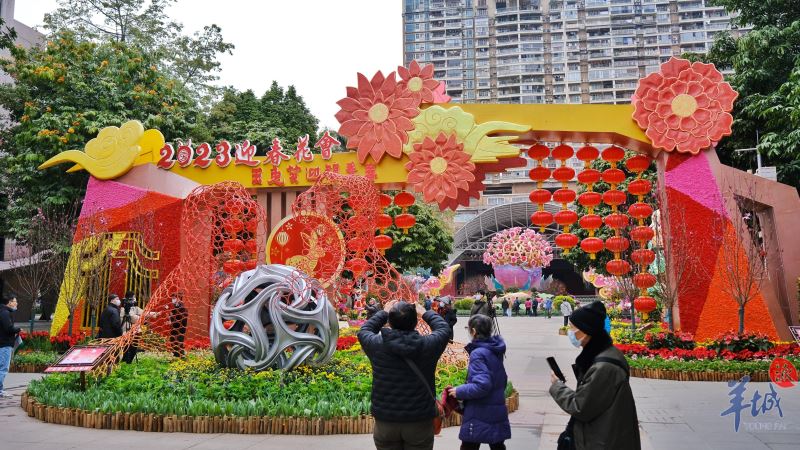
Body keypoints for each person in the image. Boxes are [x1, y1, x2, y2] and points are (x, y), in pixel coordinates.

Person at [358, 300, 451, 450]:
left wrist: (383, 312)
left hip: (386, 422)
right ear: (415, 321)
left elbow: (364, 330)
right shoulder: (428, 345)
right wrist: (425, 312)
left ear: (390, 321)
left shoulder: (377, 345)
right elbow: (444, 328)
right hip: (419, 421)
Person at [549, 301, 641, 450]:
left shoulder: (604, 366)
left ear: (586, 331)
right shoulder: (604, 354)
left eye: (573, 328)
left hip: (603, 440)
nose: (570, 332)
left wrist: (557, 386)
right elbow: (593, 395)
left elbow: (580, 407)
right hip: (604, 434)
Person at [447, 314, 511, 450]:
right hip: (496, 409)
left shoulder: (478, 353)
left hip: (479, 412)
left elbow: (482, 385)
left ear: (474, 331)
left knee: (469, 446)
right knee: (497, 445)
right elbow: (502, 379)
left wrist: (459, 391)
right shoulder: (494, 350)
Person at [0, 294, 21, 398]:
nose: (16, 303)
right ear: (9, 302)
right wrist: (18, 329)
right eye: (15, 301)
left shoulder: (3, 311)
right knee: (3, 368)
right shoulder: (5, 313)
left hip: (3, 343)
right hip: (5, 344)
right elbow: (8, 328)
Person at [168, 293, 188, 358]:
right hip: (174, 329)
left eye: (174, 298)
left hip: (179, 329)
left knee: (178, 343)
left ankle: (181, 356)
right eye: (172, 298)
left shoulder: (182, 307)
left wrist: (171, 321)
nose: (172, 300)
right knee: (173, 342)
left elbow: (182, 319)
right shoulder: (175, 307)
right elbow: (173, 316)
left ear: (178, 299)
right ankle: (177, 356)